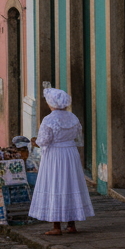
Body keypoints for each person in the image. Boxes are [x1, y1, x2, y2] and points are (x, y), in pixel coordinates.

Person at [30, 88, 95, 235]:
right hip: (70, 154)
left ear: (50, 103)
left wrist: (35, 142)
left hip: (55, 156)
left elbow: (44, 140)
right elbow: (78, 137)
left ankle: (56, 227)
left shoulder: (48, 120)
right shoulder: (73, 117)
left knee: (55, 185)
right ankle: (71, 224)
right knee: (70, 185)